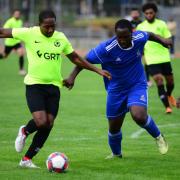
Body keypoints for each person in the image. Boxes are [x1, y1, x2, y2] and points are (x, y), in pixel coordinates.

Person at [0, 10, 111, 168]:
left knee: (48, 124)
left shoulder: (60, 38)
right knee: (41, 121)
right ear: (39, 25)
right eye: (47, 27)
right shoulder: (29, 33)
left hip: (54, 86)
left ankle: (26, 160)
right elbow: (3, 32)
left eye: (53, 26)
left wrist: (97, 70)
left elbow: (75, 58)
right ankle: (25, 131)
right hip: (34, 85)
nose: (50, 30)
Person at [63, 19, 170, 159]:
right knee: (114, 128)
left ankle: (158, 137)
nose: (123, 40)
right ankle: (116, 154)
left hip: (136, 85)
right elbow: (84, 60)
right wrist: (72, 77)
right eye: (119, 37)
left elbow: (149, 34)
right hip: (116, 90)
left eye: (125, 37)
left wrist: (163, 41)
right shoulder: (106, 48)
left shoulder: (139, 37)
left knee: (138, 115)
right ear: (115, 35)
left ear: (132, 33)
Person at [137, 2, 176, 114]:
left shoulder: (162, 24)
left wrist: (168, 42)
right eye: (147, 13)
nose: (149, 15)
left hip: (164, 58)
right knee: (159, 81)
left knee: (170, 83)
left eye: (151, 13)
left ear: (155, 13)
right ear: (144, 14)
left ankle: (169, 95)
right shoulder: (141, 27)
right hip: (151, 59)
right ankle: (167, 107)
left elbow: (169, 39)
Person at [130, 8, 153, 87]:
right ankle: (133, 79)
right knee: (134, 63)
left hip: (143, 46)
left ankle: (148, 80)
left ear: (138, 14)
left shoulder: (142, 23)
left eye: (136, 13)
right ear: (131, 15)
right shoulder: (129, 24)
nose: (135, 15)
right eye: (133, 13)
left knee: (146, 63)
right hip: (133, 47)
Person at [0, 10, 26, 75]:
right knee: (4, 56)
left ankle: (21, 70)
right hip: (9, 43)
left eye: (18, 14)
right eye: (16, 14)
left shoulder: (20, 21)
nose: (17, 15)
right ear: (13, 15)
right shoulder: (9, 21)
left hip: (17, 42)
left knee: (21, 53)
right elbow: (4, 30)